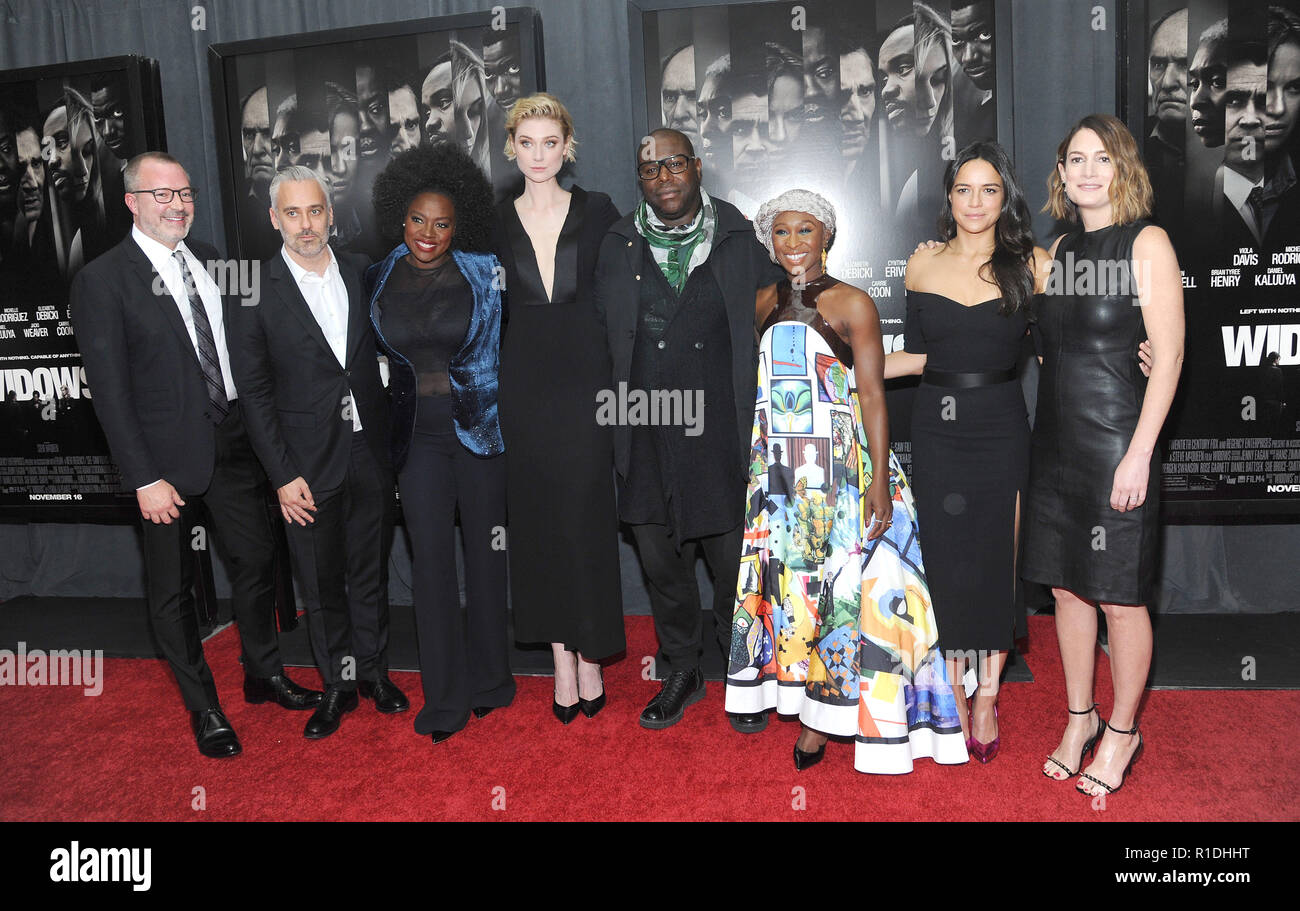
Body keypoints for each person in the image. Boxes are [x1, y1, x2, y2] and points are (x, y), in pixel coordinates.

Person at [68, 152, 322, 758]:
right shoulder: (102, 280)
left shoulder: (213, 260)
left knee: (258, 562)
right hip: (162, 468)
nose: (177, 205)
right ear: (131, 202)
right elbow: (110, 394)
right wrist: (143, 478)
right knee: (172, 592)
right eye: (162, 196)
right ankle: (204, 706)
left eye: (184, 193)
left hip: (233, 444)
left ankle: (263, 673)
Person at [724, 189, 968, 773]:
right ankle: (812, 711)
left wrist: (879, 481)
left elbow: (876, 396)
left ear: (826, 236)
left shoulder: (852, 302)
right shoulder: (759, 301)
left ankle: (830, 723)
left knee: (851, 598)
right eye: (781, 232)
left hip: (842, 471)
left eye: (804, 231)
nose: (793, 243)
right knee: (798, 600)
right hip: (780, 481)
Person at [593, 128, 784, 731]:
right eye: (651, 170)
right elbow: (599, 338)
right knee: (660, 559)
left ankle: (742, 671)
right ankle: (682, 668)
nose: (665, 178)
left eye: (675, 164)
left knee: (732, 562)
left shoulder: (738, 238)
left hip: (720, 428)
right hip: (645, 426)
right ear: (640, 181)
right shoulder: (618, 244)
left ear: (697, 168)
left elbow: (782, 322)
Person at [1029, 114, 1184, 797]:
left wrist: (1140, 453)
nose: (1088, 170)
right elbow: (1047, 347)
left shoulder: (1147, 242)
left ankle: (1123, 731)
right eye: (1075, 160)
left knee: (1120, 596)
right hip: (1055, 443)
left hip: (1118, 440)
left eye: (1102, 158)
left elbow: (1170, 353)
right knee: (1066, 586)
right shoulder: (1057, 250)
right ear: (1062, 174)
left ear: (1123, 168)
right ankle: (1079, 717)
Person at [230, 165, 406, 740]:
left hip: (368, 455)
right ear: (273, 218)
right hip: (303, 466)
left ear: (330, 214)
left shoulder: (362, 272)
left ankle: (375, 673)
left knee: (370, 573)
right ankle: (338, 685)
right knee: (320, 583)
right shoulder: (255, 289)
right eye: (292, 213)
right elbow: (253, 394)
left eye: (315, 211)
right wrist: (282, 475)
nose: (305, 225)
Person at [886, 140, 1046, 761]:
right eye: (963, 190)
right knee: (947, 561)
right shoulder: (921, 264)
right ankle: (953, 688)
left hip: (1002, 425)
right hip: (937, 426)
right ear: (948, 197)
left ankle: (988, 698)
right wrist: (845, 370)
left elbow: (1052, 353)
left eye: (989, 190)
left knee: (998, 563)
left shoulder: (1033, 264)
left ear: (1005, 198)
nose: (975, 203)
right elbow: (920, 355)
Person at [366, 142, 515, 743]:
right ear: (401, 219)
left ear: (461, 225)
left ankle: (492, 682)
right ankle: (445, 696)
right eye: (419, 220)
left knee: (486, 560)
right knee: (429, 566)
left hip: (480, 432)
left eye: (443, 222)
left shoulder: (486, 271)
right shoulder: (375, 278)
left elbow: (517, 346)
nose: (430, 233)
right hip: (417, 442)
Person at [493, 93, 624, 722]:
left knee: (585, 517)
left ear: (566, 146)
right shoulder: (492, 221)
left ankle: (592, 652)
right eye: (527, 143)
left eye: (551, 143)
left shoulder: (598, 211)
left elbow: (623, 297)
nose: (539, 155)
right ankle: (561, 662)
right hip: (522, 382)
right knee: (540, 520)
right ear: (511, 147)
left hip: (587, 380)